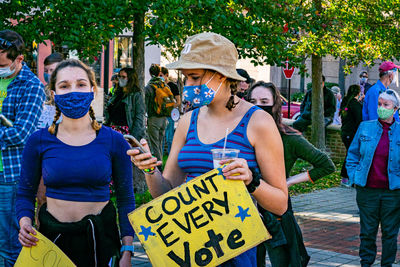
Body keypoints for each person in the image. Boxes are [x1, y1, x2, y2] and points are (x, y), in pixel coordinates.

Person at [128, 32, 288, 266]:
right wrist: (149, 170)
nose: (188, 85)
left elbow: (280, 204)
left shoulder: (258, 122)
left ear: (222, 76)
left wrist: (250, 181)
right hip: (189, 247)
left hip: (235, 247)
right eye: (185, 78)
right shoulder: (187, 121)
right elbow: (165, 195)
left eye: (195, 77)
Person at [16, 59, 135, 266]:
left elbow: (126, 198)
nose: (73, 91)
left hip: (100, 242)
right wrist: (25, 222)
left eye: (81, 84)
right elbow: (25, 193)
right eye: (64, 86)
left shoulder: (114, 141)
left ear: (92, 90)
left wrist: (127, 249)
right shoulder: (38, 140)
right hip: (51, 243)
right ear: (54, 95)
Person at [247, 81, 335, 266]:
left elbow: (326, 165)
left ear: (275, 104)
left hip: (276, 211)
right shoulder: (240, 136)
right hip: (244, 211)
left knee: (284, 261)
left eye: (264, 101)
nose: (258, 106)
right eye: (252, 101)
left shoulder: (288, 138)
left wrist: (287, 182)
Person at [0, 29, 45, 265]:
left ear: (19, 59)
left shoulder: (31, 86)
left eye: (2, 63)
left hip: (10, 174)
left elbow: (20, 133)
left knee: (9, 246)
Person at [346, 89, 400, 267]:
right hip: (367, 191)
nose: (381, 107)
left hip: (393, 193)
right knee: (367, 232)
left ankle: (387, 264)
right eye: (379, 104)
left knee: (390, 233)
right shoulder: (365, 127)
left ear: (396, 109)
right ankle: (366, 263)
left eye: (386, 105)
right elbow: (352, 154)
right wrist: (354, 176)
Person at [105, 67, 146, 140]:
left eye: (123, 77)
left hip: (126, 134)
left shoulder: (136, 95)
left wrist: (134, 137)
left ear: (130, 78)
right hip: (112, 131)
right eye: (119, 76)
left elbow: (139, 117)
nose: (120, 79)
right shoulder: (117, 94)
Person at [144, 63, 170, 162]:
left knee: (154, 144)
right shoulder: (164, 85)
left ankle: (159, 166)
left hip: (154, 118)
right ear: (159, 73)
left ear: (150, 73)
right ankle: (161, 163)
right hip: (164, 118)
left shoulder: (149, 87)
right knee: (160, 143)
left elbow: (145, 104)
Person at [339, 84, 363, 186]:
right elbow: (359, 119)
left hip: (345, 132)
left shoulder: (345, 101)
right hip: (351, 133)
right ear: (358, 93)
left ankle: (346, 178)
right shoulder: (354, 104)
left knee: (350, 154)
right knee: (351, 155)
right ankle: (346, 178)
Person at [37, 52, 64, 129]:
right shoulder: (41, 90)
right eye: (46, 71)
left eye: (52, 70)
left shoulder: (68, 93)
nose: (48, 74)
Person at [160, 66, 181, 154]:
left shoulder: (172, 86)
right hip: (160, 115)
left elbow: (178, 101)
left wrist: (170, 108)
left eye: (161, 75)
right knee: (160, 139)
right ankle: (159, 158)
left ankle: (170, 157)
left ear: (166, 75)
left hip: (169, 115)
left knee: (169, 138)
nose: (159, 77)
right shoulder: (158, 86)